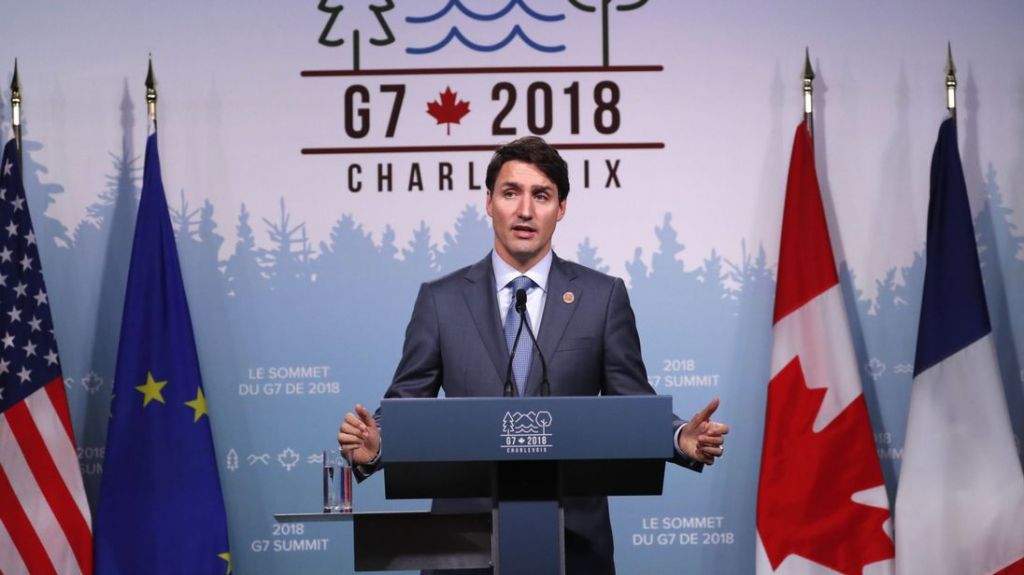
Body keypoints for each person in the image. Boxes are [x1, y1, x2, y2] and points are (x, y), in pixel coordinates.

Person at [339, 136, 729, 575]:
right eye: (511, 193)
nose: (525, 210)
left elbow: (632, 402)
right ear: (489, 203)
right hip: (460, 540)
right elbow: (406, 402)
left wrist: (680, 440)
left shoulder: (602, 298)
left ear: (561, 207)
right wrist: (376, 445)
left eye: (541, 195)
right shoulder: (441, 300)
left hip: (573, 541)